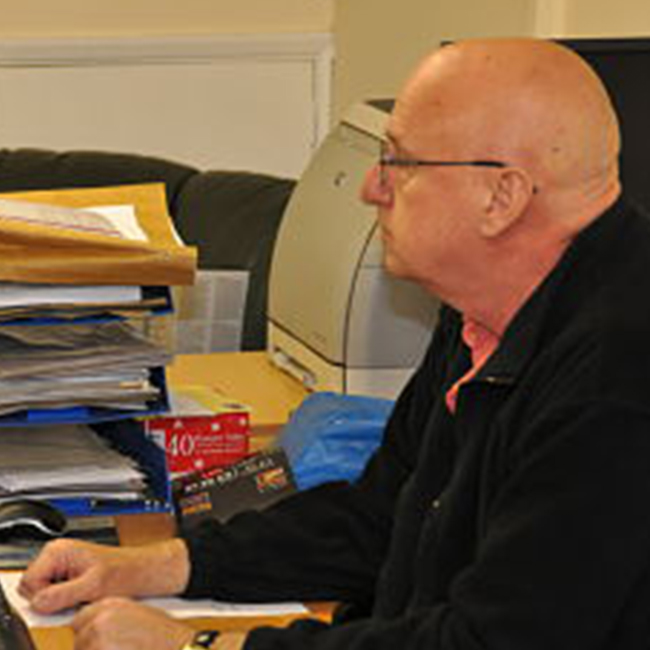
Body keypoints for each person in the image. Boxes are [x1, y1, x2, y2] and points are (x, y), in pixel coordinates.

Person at [18, 36, 650, 650]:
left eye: (399, 163)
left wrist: (195, 647)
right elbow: (380, 519)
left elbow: (495, 639)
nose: (372, 187)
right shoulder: (491, 308)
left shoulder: (614, 375)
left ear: (500, 196)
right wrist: (153, 565)